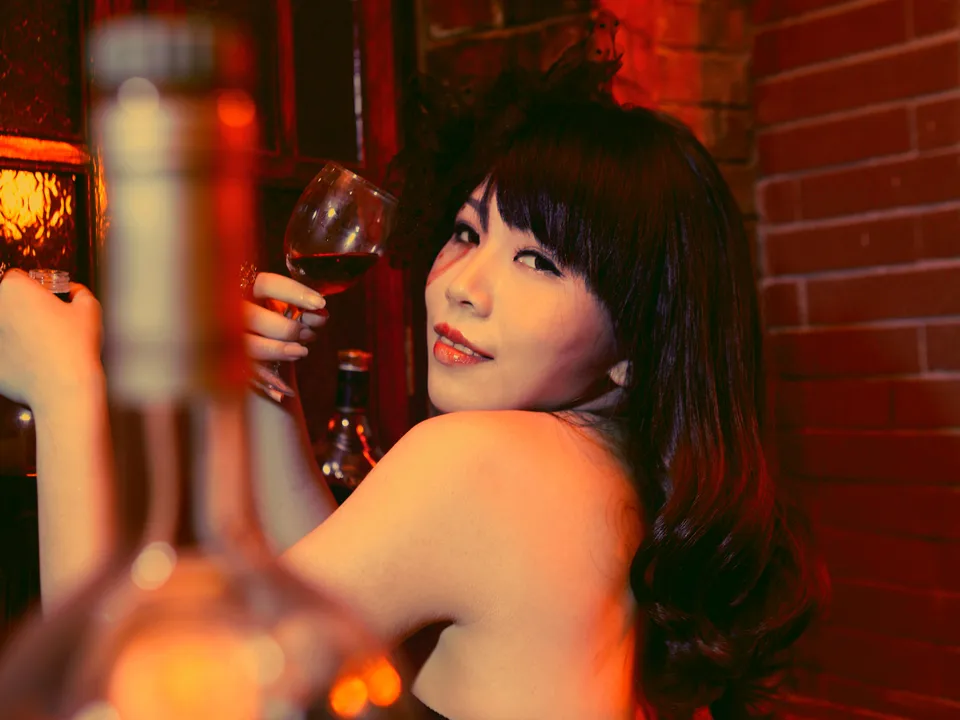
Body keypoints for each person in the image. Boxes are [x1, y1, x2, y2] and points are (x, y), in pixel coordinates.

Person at [0, 53, 825, 720]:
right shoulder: (616, 477)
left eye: (538, 261)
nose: (463, 285)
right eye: (467, 231)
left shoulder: (484, 462)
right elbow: (336, 610)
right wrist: (270, 391)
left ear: (635, 343)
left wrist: (64, 387)